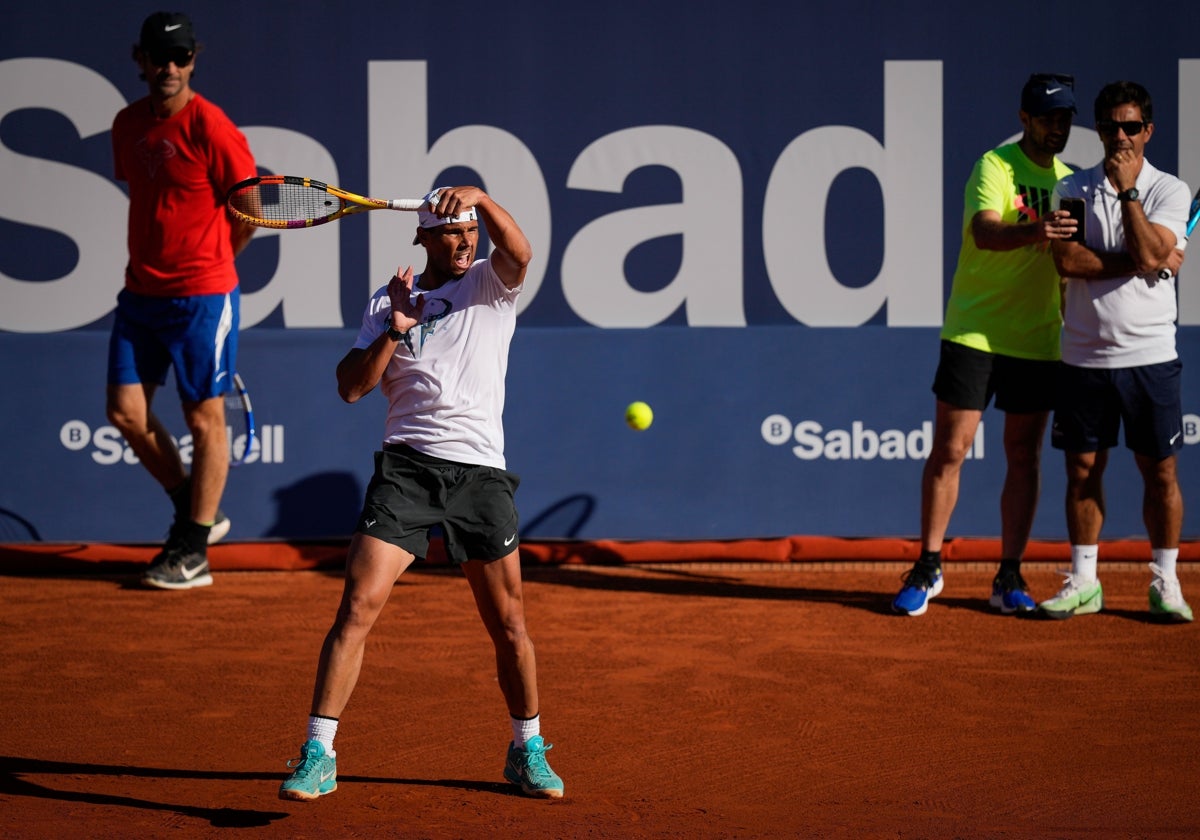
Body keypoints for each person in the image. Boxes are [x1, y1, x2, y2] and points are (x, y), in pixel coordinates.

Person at [278, 186, 564, 801]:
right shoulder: (388, 299)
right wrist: (396, 328)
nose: (465, 243)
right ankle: (318, 753)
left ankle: (527, 748)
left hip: (480, 476)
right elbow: (351, 388)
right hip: (406, 472)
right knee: (356, 608)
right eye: (452, 233)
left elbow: (522, 249)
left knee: (510, 624)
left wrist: (481, 198)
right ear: (423, 238)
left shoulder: (492, 282)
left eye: (471, 232)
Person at [892, 73, 1080, 616]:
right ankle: (928, 567)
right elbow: (986, 232)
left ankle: (1009, 576)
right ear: (1024, 120)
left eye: (1064, 117)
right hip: (974, 332)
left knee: (1023, 456)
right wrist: (1038, 229)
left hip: (1037, 338)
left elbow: (1070, 272)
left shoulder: (1072, 181)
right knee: (951, 450)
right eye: (1047, 118)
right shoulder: (995, 166)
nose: (1057, 127)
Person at [106, 12, 257, 590]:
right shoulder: (126, 125)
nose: (169, 67)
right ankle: (197, 514)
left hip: (202, 294)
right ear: (138, 59)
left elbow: (250, 209)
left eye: (180, 57)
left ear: (193, 60)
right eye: (158, 56)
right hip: (140, 293)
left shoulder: (213, 127)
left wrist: (215, 259)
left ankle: (192, 552)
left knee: (204, 416)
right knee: (125, 412)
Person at [1041, 80, 1192, 622]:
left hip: (1150, 355)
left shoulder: (1170, 191)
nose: (1120, 137)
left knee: (1161, 474)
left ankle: (1166, 582)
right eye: (1109, 127)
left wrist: (1129, 193)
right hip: (1084, 357)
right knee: (1082, 471)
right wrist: (1147, 260)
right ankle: (1084, 581)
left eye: (1131, 127)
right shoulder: (1072, 190)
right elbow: (1069, 264)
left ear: (1147, 131)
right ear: (1099, 131)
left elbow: (1150, 250)